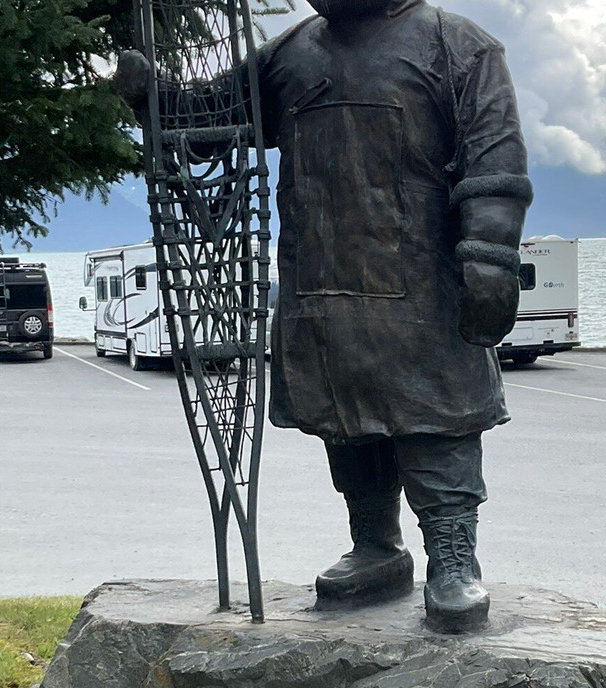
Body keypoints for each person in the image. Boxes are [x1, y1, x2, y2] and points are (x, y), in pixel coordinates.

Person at [117, 0, 531, 632]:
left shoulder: (458, 46)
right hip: (320, 283)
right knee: (347, 420)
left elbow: (495, 164)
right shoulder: (294, 52)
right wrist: (152, 97)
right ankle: (375, 544)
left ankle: (453, 556)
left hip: (424, 289)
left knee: (435, 422)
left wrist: (490, 257)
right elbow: (216, 119)